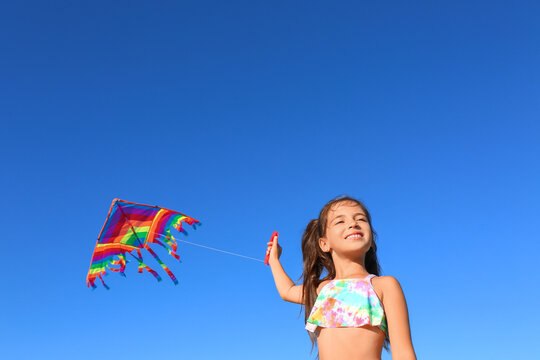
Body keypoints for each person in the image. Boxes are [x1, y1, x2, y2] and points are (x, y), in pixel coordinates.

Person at [266, 196, 417, 360]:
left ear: (371, 239)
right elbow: (287, 291)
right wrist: (274, 260)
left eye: (361, 219)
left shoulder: (384, 286)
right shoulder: (323, 289)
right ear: (324, 244)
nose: (353, 224)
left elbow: (403, 353)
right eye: (340, 222)